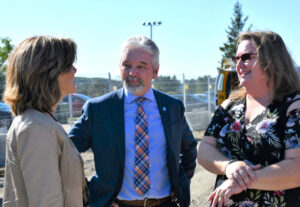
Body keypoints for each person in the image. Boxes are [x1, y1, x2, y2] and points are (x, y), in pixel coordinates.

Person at [69, 36, 197, 207]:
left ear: (155, 71)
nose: (132, 73)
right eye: (126, 66)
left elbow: (188, 150)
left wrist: (180, 184)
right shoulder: (99, 109)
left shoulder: (173, 107)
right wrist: (91, 192)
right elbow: (66, 153)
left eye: (141, 67)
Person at [197, 31, 300, 207]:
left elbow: (296, 168)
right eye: (236, 59)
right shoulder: (229, 106)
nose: (239, 65)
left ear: (272, 60)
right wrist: (229, 166)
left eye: (246, 57)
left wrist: (243, 181)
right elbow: (204, 149)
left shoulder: (294, 107)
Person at [3, 36, 89, 207]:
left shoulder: (40, 121)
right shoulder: (36, 127)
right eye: (68, 65)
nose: (75, 70)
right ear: (48, 72)